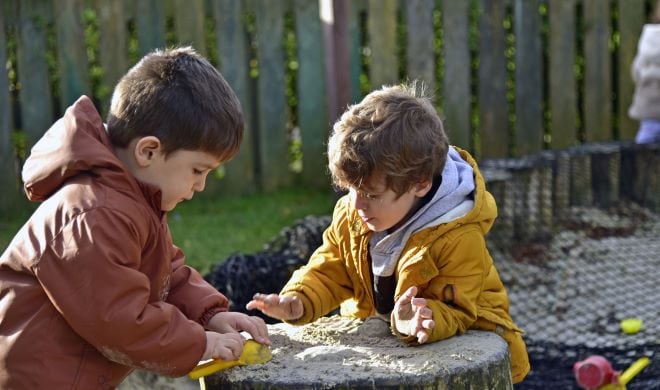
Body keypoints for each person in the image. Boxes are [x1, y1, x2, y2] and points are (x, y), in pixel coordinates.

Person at [0, 47, 270, 388]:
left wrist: (210, 315)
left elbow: (165, 273)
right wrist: (201, 343)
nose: (200, 185)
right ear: (149, 151)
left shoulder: (134, 200)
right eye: (198, 170)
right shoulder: (94, 214)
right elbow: (119, 320)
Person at [247, 82, 530, 383]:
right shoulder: (354, 213)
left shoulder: (457, 234)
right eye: (351, 189)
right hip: (381, 344)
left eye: (370, 194)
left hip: (467, 349)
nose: (356, 204)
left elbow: (458, 309)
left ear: (420, 183)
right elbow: (332, 267)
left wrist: (422, 319)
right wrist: (299, 299)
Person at [629, 1, 660, 144]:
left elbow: (636, 70)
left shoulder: (649, 38)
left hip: (649, 106)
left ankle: (640, 164)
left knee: (646, 139)